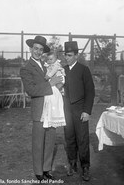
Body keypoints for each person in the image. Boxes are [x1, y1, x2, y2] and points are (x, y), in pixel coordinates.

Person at [20, 35, 62, 181]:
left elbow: (57, 77)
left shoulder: (47, 64)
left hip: (52, 108)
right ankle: (38, 171)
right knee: (38, 141)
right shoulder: (26, 68)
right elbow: (31, 90)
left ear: (43, 51)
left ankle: (46, 169)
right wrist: (50, 84)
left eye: (41, 49)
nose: (38, 52)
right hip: (39, 109)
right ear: (31, 49)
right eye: (36, 48)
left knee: (50, 140)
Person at [63, 41, 95, 181]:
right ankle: (72, 163)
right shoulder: (62, 70)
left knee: (82, 139)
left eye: (70, 55)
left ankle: (85, 166)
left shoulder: (83, 69)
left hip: (80, 109)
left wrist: (87, 111)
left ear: (76, 55)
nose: (67, 58)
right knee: (69, 138)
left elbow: (90, 92)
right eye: (65, 55)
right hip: (66, 110)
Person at [40, 51, 66, 128]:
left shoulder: (56, 65)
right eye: (48, 59)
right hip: (54, 80)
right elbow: (48, 71)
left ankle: (61, 90)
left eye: (51, 59)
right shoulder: (50, 65)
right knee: (55, 90)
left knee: (58, 86)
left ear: (56, 59)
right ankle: (60, 91)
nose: (49, 61)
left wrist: (47, 77)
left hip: (59, 77)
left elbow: (52, 72)